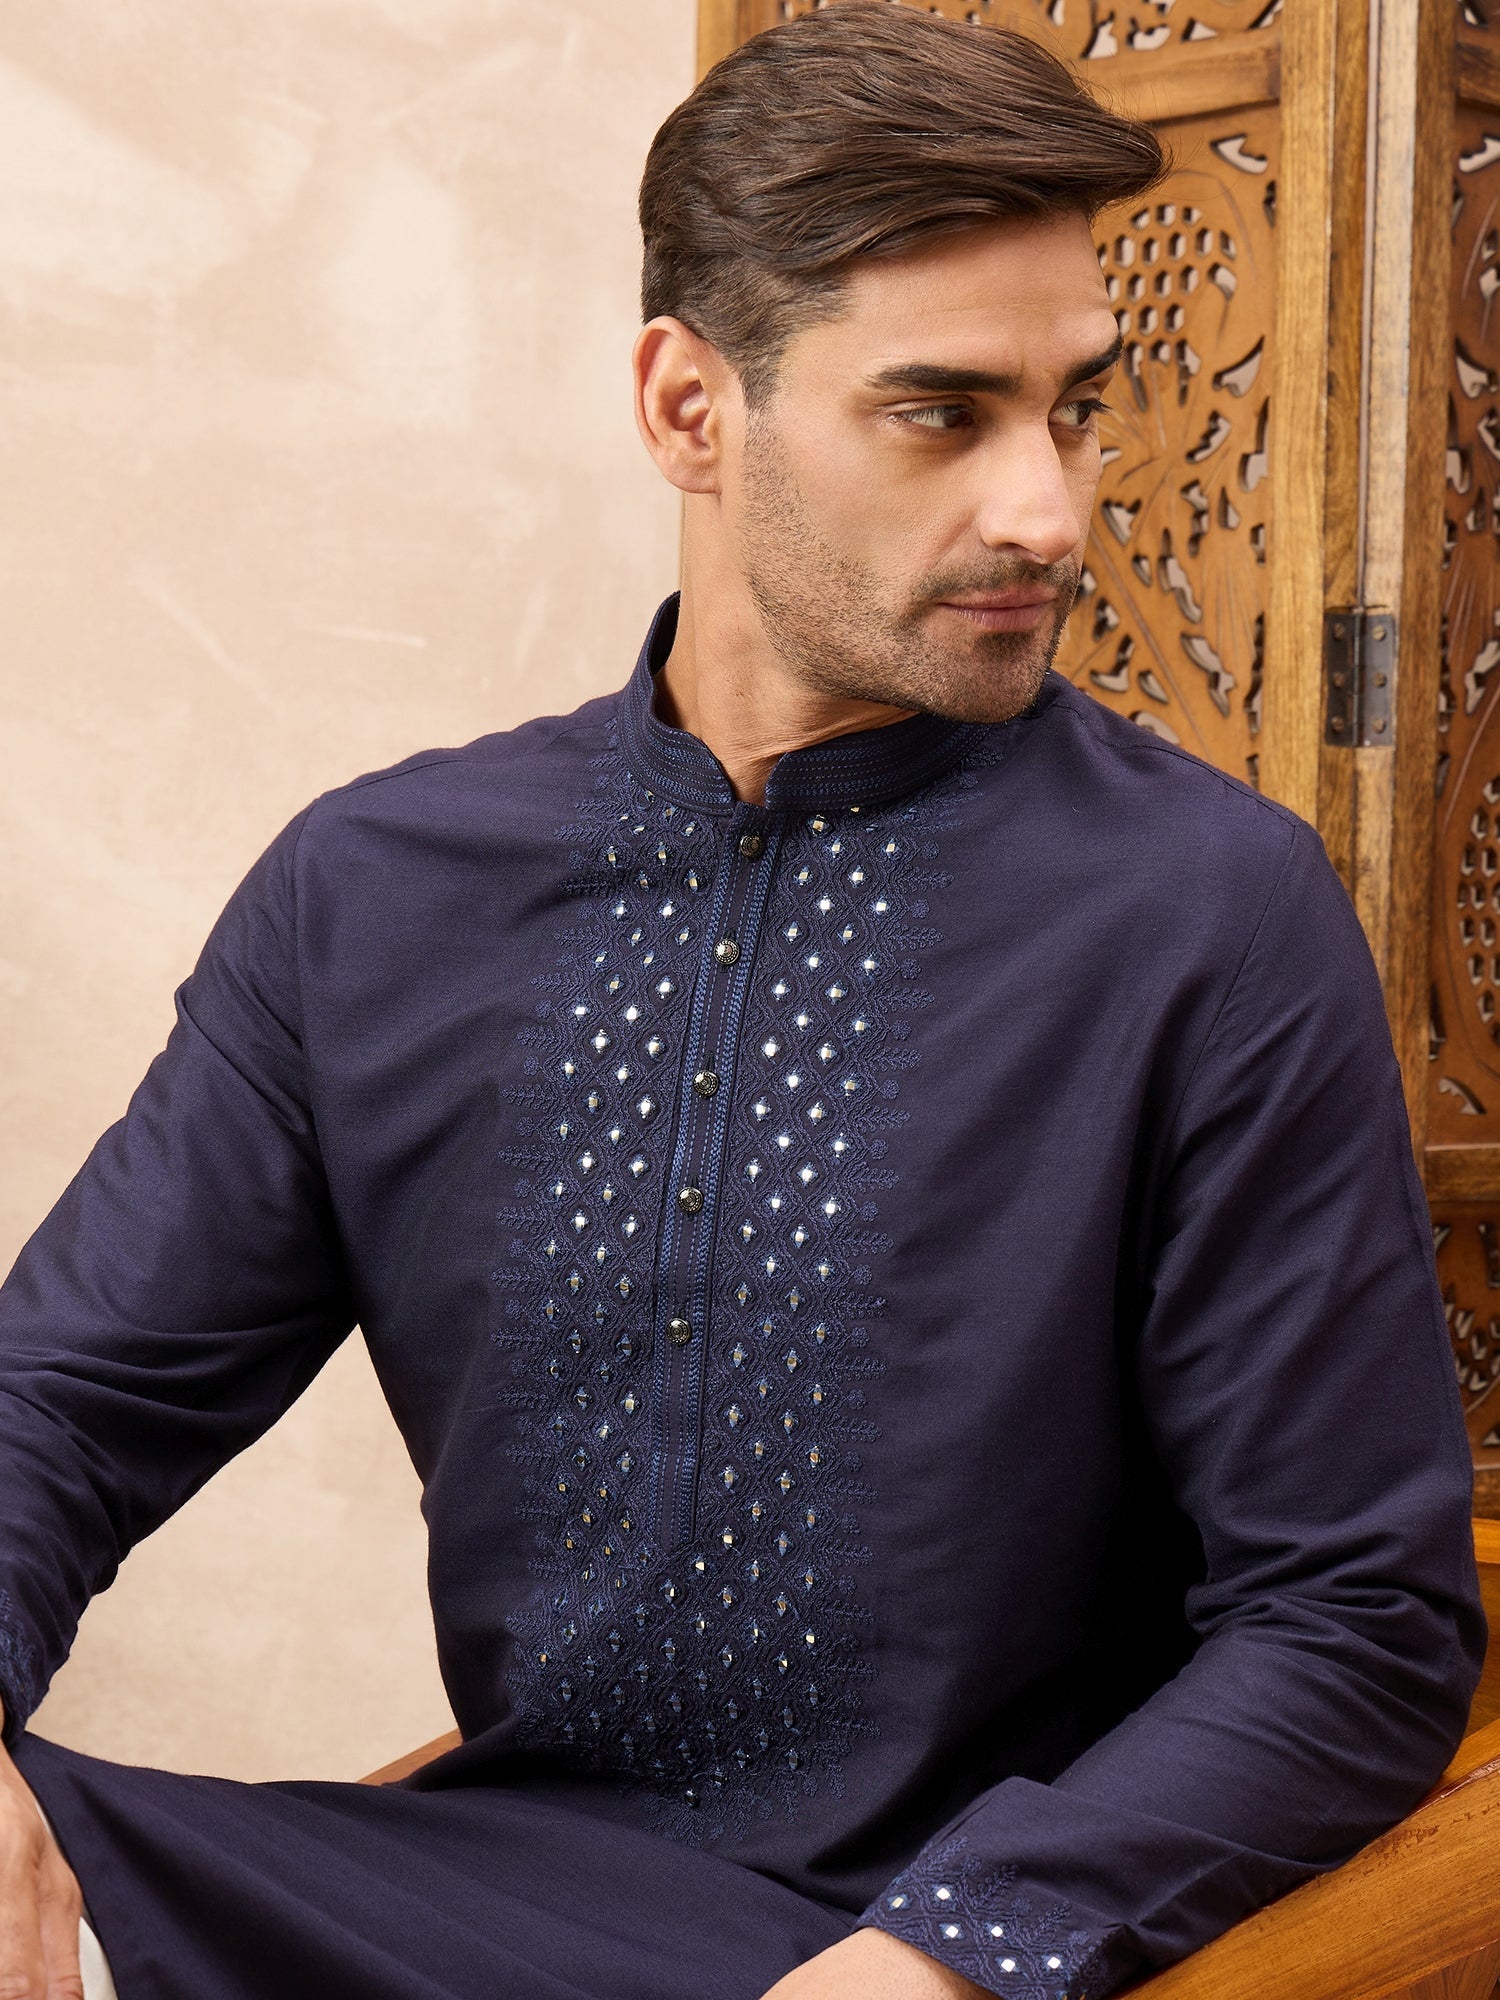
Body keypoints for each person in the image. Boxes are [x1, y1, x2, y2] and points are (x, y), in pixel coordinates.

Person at [0, 6, 1483, 1998]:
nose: (1049, 511)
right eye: (944, 413)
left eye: (1077, 409)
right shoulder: (373, 894)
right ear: (689, 407)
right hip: (478, 1908)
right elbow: (62, 1398)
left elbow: (1357, 1621)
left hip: (967, 1934)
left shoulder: (1210, 914)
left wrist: (951, 1951)